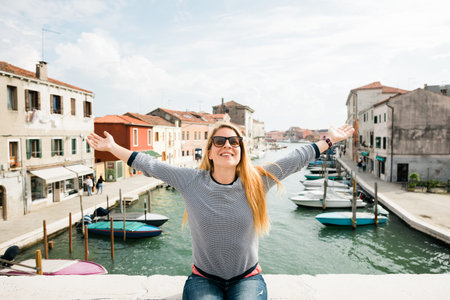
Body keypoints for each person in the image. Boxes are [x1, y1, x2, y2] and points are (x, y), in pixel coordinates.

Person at [87, 123, 354, 299]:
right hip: (203, 280)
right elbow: (149, 164)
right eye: (219, 141)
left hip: (247, 279)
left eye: (234, 141)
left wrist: (330, 140)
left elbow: (296, 159)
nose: (227, 144)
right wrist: (112, 148)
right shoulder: (190, 180)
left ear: (241, 152)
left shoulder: (258, 180)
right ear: (210, 152)